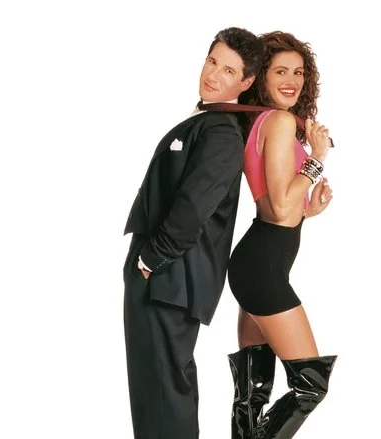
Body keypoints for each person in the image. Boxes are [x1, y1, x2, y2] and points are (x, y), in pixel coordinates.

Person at [121, 27, 263, 438]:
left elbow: (193, 207)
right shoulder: (210, 123)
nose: (213, 74)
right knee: (158, 391)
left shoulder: (221, 133)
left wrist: (150, 260)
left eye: (229, 70)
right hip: (166, 279)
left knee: (164, 394)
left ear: (246, 82)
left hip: (170, 281)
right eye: (212, 61)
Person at [225, 31, 337, 439]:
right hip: (263, 271)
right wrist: (317, 159)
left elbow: (278, 207)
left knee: (252, 394)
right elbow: (278, 206)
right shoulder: (280, 121)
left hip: (256, 264)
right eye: (280, 71)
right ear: (262, 78)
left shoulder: (263, 122)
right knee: (310, 385)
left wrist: (308, 210)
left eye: (299, 72)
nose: (292, 80)